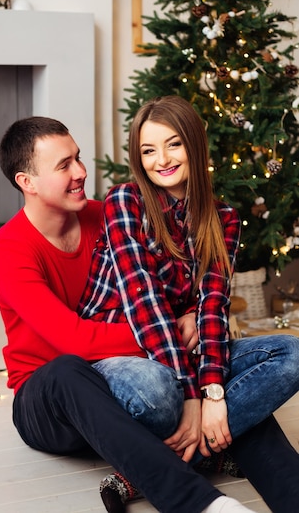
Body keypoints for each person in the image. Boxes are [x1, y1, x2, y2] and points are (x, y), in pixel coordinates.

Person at [0, 115, 259, 513]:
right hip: (51, 401)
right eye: (64, 166)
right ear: (26, 182)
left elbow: (171, 288)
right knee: (72, 370)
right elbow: (75, 341)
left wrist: (191, 322)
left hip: (131, 378)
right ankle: (202, 504)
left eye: (78, 158)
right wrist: (169, 332)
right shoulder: (9, 248)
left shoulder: (109, 214)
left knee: (244, 369)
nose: (81, 172)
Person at [79, 96, 299, 512]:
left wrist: (213, 393)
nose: (161, 159)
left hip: (183, 348)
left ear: (194, 146)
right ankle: (210, 446)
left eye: (173, 144)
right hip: (123, 353)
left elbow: (213, 306)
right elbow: (144, 300)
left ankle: (157, 466)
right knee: (161, 393)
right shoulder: (125, 201)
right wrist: (195, 396)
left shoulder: (224, 218)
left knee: (291, 354)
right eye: (148, 150)